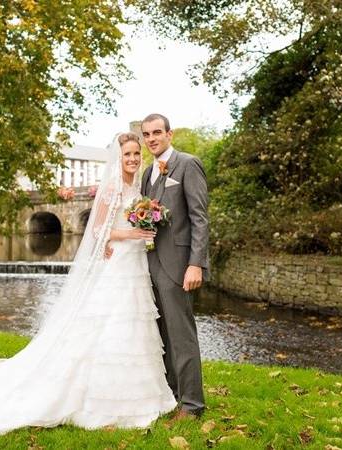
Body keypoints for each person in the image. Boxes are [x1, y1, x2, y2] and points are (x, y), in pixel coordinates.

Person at [0, 132, 177, 439]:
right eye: (126, 154)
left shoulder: (137, 186)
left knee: (133, 328)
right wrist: (131, 235)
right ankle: (95, 401)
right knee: (111, 326)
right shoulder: (112, 189)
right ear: (117, 159)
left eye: (135, 153)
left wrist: (143, 225)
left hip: (133, 264)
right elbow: (100, 232)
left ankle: (140, 397)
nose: (132, 158)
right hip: (117, 265)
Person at [141, 113, 208, 419]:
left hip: (179, 265)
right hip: (149, 264)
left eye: (157, 132)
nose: (152, 138)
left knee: (182, 335)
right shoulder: (147, 173)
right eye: (147, 134)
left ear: (169, 134)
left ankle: (193, 405)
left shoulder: (188, 163)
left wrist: (196, 264)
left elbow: (199, 218)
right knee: (163, 336)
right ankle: (173, 395)